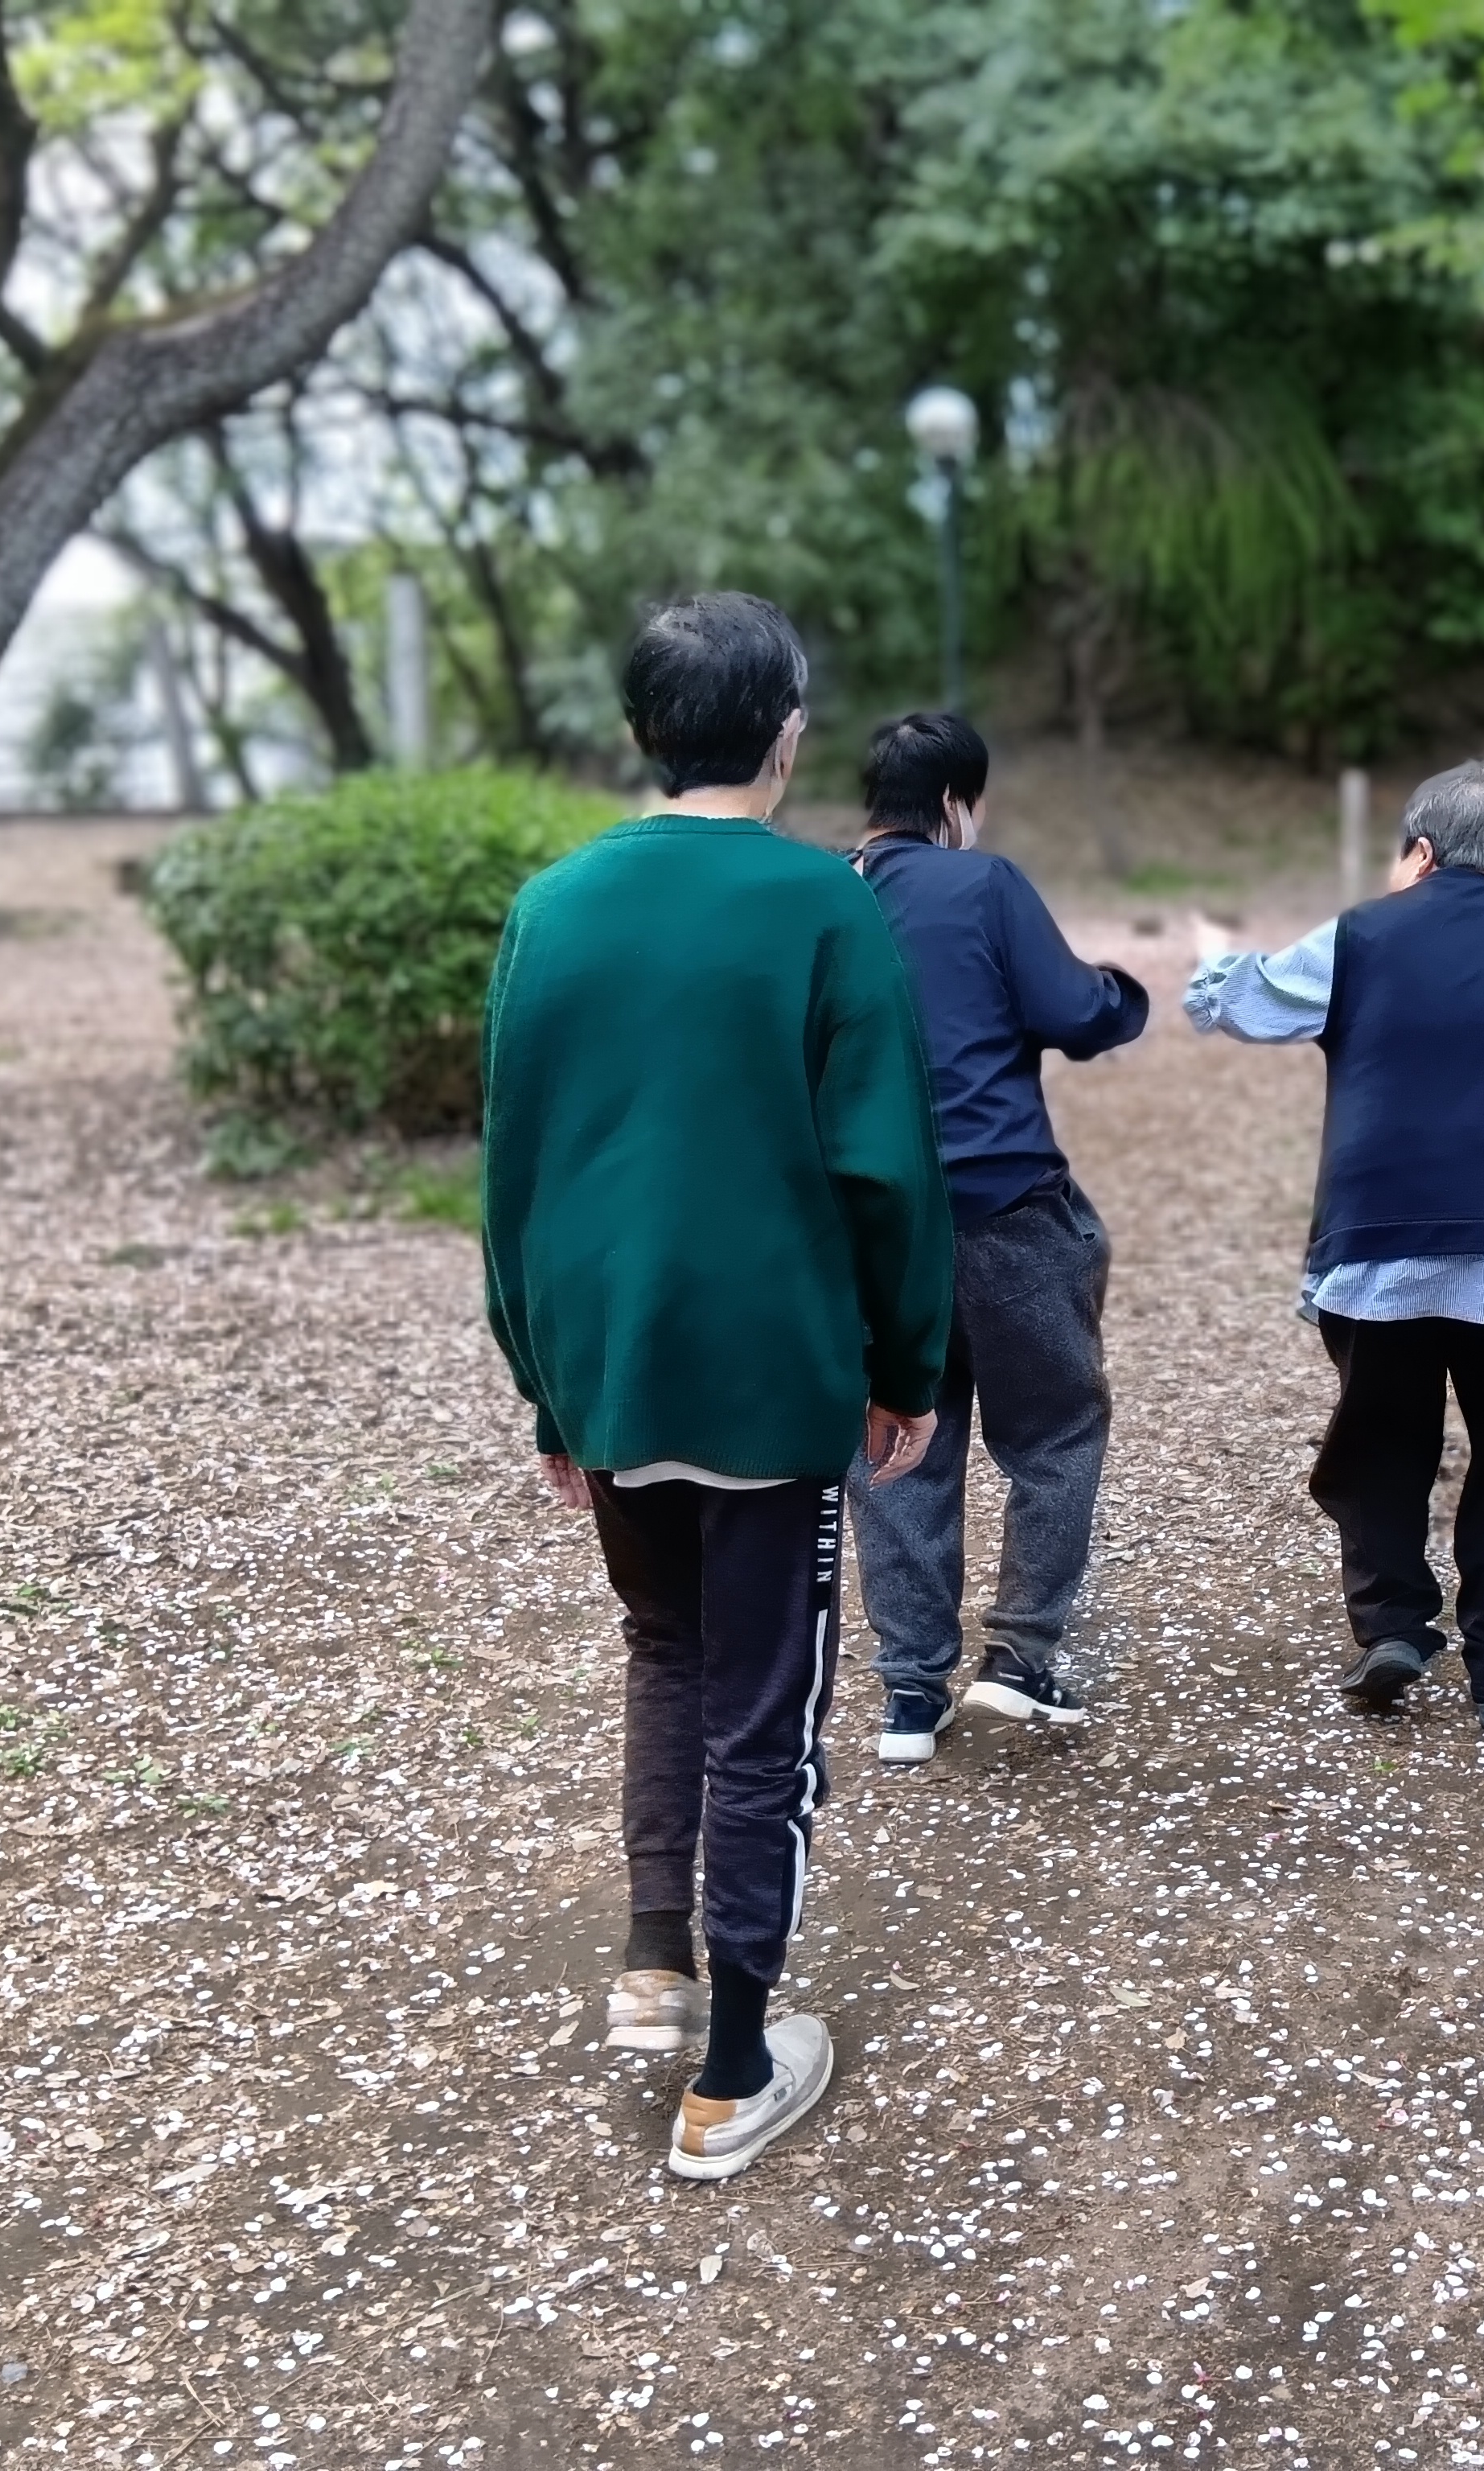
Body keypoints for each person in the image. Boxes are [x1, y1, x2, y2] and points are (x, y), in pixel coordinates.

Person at [480, 592, 952, 2180]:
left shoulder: (551, 908)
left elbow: (515, 1169)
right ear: (789, 734)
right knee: (765, 1705)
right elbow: (887, 1168)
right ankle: (735, 2068)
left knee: (665, 1643)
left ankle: (652, 1959)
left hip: (610, 1360)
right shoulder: (825, 906)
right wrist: (908, 1363)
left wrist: (547, 1387)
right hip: (768, 1369)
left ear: (640, 731)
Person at [1184, 763, 1484, 1733]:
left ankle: (1394, 1626)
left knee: (1381, 1436)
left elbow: (1232, 1002)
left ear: (1420, 851)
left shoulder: (1362, 934)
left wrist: (1213, 959)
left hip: (1381, 1239)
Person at [845, 713, 1148, 1765]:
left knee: (895, 1447)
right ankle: (1019, 1659)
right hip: (1007, 1208)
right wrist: (1125, 994)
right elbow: (1076, 1011)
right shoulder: (984, 883)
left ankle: (909, 1692)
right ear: (954, 805)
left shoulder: (825, 896)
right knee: (1055, 1435)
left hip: (874, 1227)